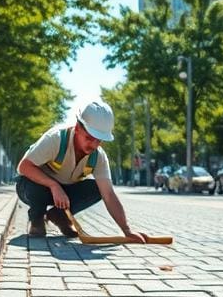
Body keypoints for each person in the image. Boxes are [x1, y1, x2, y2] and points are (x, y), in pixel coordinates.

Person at [16, 100, 145, 241]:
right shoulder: (55, 139)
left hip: (64, 193)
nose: (94, 145)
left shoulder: (98, 157)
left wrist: (127, 231)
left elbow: (108, 194)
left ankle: (59, 215)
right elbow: (24, 167)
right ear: (77, 128)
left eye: (99, 140)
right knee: (34, 185)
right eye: (89, 138)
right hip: (31, 188)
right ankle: (37, 219)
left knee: (97, 188)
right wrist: (53, 185)